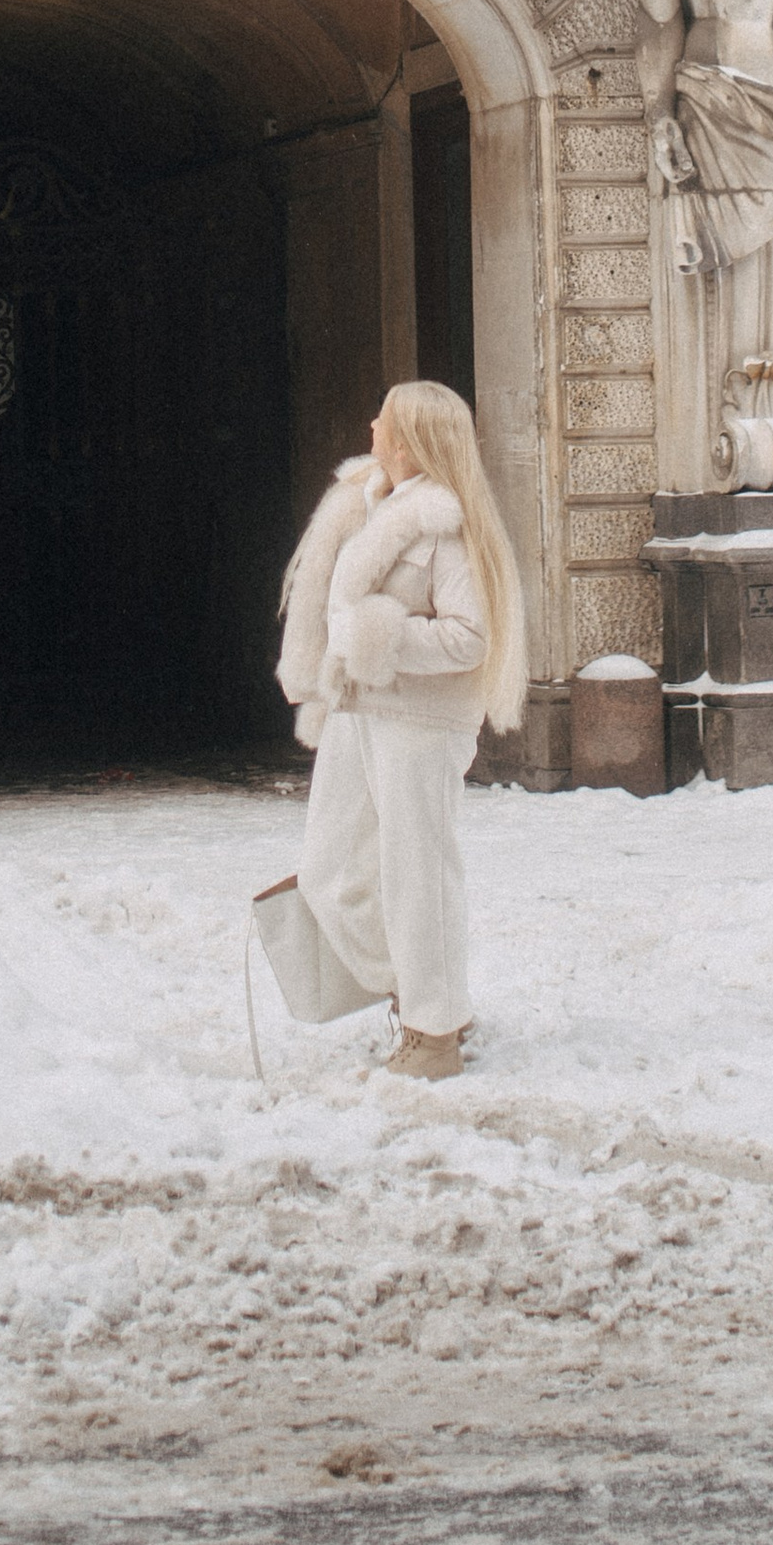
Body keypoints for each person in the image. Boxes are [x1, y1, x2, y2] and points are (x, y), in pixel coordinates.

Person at [275, 377, 527, 1082]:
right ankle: (426, 989)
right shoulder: (368, 505)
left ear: (412, 440)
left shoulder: (446, 523)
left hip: (421, 720)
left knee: (420, 874)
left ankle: (433, 1028)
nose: (372, 427)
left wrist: (376, 635)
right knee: (329, 873)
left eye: (383, 420)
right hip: (359, 708)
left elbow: (471, 638)